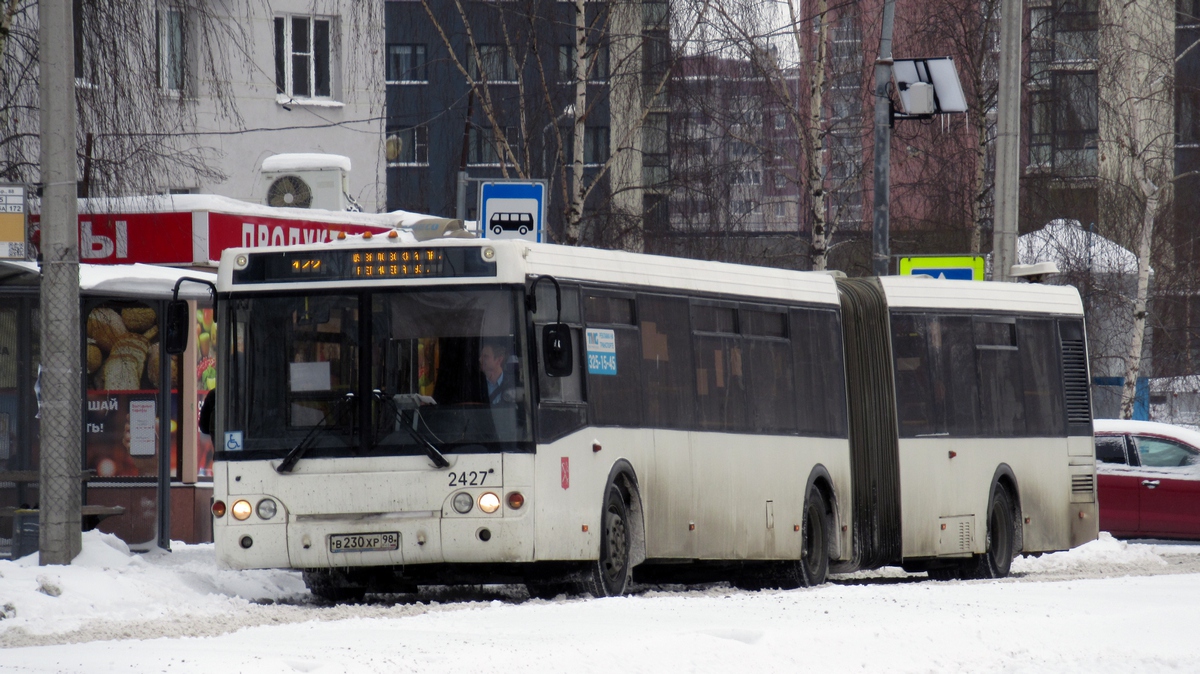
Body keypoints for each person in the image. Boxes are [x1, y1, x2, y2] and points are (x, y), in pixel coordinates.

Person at [479, 338, 514, 405]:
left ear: (499, 360)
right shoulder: (477, 385)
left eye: (485, 356)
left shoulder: (513, 384)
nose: (480, 359)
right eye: (481, 356)